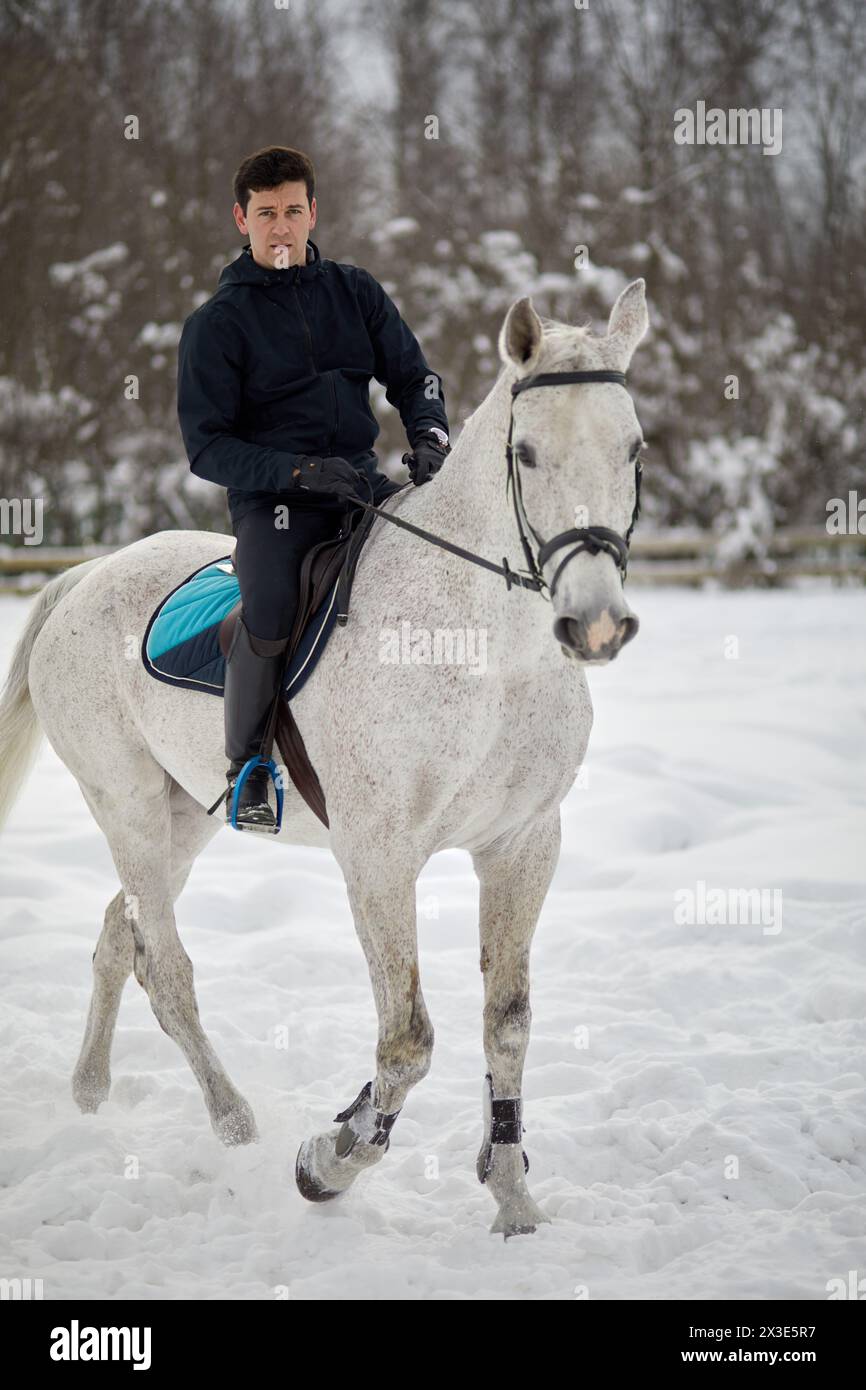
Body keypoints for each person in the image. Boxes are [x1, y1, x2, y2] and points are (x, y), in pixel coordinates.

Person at [177, 145, 451, 830]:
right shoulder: (217, 325)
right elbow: (207, 447)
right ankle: (249, 769)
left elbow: (415, 377)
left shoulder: (354, 292)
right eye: (265, 213)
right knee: (268, 606)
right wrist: (295, 472)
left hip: (360, 488)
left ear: (312, 212)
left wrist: (430, 435)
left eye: (292, 210)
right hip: (273, 506)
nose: (280, 227)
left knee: (441, 562)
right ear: (241, 219)